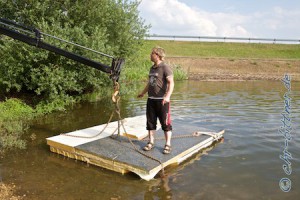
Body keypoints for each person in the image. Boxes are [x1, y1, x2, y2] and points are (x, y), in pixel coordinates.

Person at [137, 46, 174, 154]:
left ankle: (167, 144)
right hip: (151, 100)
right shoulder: (152, 68)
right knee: (150, 122)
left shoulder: (165, 67)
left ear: (157, 55)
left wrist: (167, 96)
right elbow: (150, 82)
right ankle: (151, 142)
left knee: (165, 123)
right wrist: (143, 92)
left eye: (152, 53)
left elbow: (171, 83)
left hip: (162, 100)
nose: (150, 55)